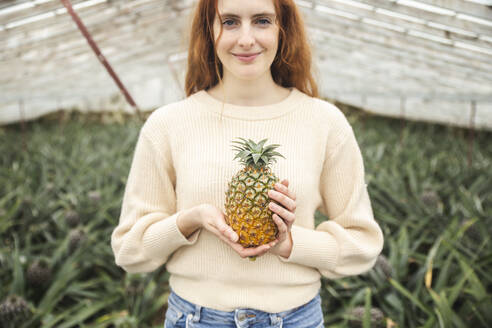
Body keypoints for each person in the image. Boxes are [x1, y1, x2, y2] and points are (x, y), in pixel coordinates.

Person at [110, 0, 384, 327]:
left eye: (262, 21)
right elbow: (129, 250)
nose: (246, 38)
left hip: (296, 319)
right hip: (195, 319)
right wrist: (188, 221)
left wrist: (291, 244)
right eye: (229, 22)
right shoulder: (169, 124)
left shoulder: (324, 123)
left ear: (283, 29)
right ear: (209, 31)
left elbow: (363, 244)